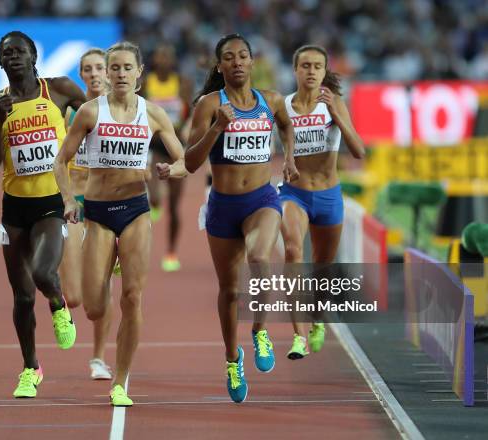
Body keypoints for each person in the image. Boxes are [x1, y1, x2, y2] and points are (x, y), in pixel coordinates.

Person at [54, 41, 187, 407]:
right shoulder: (89, 112)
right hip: (98, 213)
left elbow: (184, 159)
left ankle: (121, 380)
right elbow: (60, 162)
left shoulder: (154, 114)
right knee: (95, 307)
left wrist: (170, 169)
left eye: (128, 68)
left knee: (132, 297)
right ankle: (105, 266)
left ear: (139, 73)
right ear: (108, 74)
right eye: (114, 68)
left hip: (135, 211)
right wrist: (68, 200)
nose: (120, 74)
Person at [185, 34, 297, 403]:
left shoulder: (272, 100)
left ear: (252, 62)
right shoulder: (207, 105)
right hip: (222, 206)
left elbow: (285, 124)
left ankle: (261, 331)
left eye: (243, 56)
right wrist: (217, 127)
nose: (236, 62)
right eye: (229, 57)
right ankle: (233, 358)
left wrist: (290, 157)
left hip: (262, 199)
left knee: (261, 258)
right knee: (230, 290)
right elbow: (189, 162)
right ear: (219, 66)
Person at [0, 31, 86, 398]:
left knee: (43, 272)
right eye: (6, 53)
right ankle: (30, 369)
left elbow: (91, 119)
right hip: (14, 208)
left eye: (19, 52)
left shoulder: (58, 89)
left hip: (52, 201)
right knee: (23, 298)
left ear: (34, 56)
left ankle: (58, 304)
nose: (13, 58)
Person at [279, 45, 364, 360]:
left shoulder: (335, 103)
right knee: (292, 251)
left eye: (317, 66)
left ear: (325, 71)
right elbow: (281, 145)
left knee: (323, 270)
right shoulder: (283, 106)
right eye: (305, 65)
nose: (311, 71)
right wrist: (287, 161)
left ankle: (316, 320)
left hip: (329, 195)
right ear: (295, 70)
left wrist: (339, 117)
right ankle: (298, 336)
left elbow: (358, 151)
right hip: (294, 193)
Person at [59, 48, 113, 380]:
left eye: (99, 68)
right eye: (87, 69)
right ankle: (59, 301)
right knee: (76, 298)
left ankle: (98, 358)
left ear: (108, 72)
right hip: (76, 203)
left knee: (102, 289)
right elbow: (59, 162)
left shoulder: (121, 112)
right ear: (81, 75)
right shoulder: (70, 115)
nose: (94, 74)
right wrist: (65, 198)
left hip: (108, 206)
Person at [142, 43, 193, 272]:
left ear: (173, 61)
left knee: (174, 206)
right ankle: (154, 203)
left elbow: (190, 112)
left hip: (175, 147)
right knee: (153, 196)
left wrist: (186, 128)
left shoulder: (182, 83)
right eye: (160, 56)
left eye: (167, 57)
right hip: (153, 146)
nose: (163, 61)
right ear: (155, 60)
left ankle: (171, 252)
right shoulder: (146, 84)